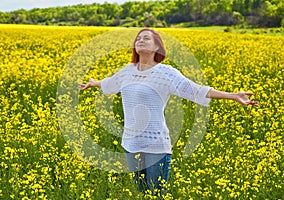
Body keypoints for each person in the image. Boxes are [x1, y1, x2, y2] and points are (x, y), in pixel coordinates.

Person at [78, 28, 259, 196]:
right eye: (138, 38)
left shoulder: (165, 73)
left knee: (157, 194)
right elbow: (112, 82)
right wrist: (94, 83)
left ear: (157, 46)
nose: (140, 40)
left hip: (156, 146)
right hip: (131, 144)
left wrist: (233, 96)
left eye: (146, 38)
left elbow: (196, 90)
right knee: (141, 193)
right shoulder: (128, 71)